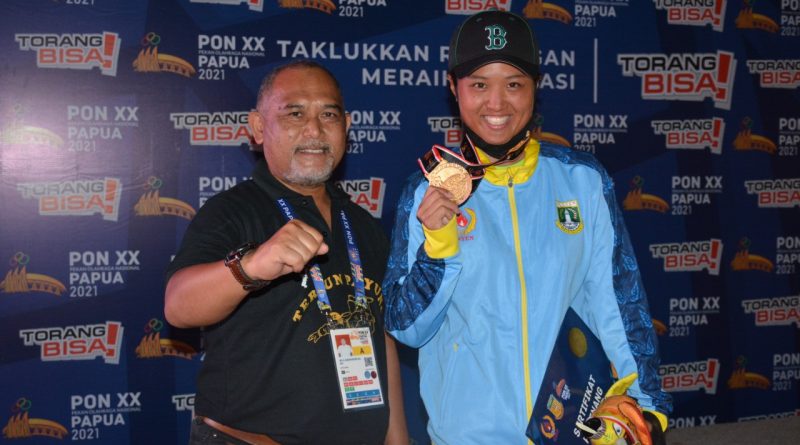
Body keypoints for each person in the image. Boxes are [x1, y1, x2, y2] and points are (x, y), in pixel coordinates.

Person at [383, 9, 671, 445]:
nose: (497, 104)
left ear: (536, 86)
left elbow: (617, 304)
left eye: (514, 84)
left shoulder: (582, 180)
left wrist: (646, 406)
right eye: (480, 84)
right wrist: (439, 248)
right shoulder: (427, 190)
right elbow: (407, 328)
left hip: (573, 432)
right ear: (454, 88)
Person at [165, 60, 408, 445]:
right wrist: (251, 267)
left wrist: (397, 440)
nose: (314, 129)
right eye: (295, 114)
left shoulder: (362, 224)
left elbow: (380, 338)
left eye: (328, 114)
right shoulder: (232, 211)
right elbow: (179, 306)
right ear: (259, 127)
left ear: (346, 127)